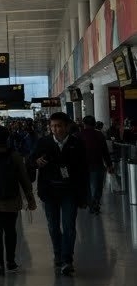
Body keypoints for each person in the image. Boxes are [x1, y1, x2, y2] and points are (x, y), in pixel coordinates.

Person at [30, 111, 88, 276]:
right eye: (53, 126)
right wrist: (36, 162)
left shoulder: (77, 143)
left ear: (67, 126)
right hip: (49, 191)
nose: (56, 129)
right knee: (53, 226)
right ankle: (58, 255)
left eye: (59, 126)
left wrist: (84, 196)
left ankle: (67, 259)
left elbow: (83, 171)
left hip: (70, 191)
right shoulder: (43, 142)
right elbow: (30, 159)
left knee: (69, 226)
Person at [0, 125, 36, 272]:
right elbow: (24, 178)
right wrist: (30, 198)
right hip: (11, 201)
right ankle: (11, 261)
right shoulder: (14, 155)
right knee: (10, 231)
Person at [77, 115, 114, 215]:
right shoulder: (100, 135)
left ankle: (90, 203)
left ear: (84, 124)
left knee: (87, 186)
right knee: (97, 186)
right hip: (97, 165)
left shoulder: (79, 136)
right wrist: (109, 165)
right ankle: (95, 203)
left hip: (83, 166)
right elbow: (105, 152)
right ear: (94, 124)